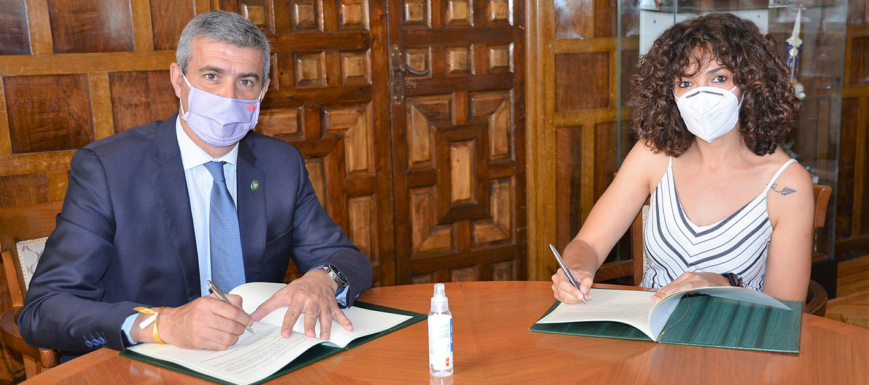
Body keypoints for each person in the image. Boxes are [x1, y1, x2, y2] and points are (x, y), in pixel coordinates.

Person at [18, 11, 372, 356]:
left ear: (263, 91)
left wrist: (323, 279)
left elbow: (345, 258)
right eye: (212, 76)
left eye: (246, 81)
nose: (229, 97)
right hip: (143, 364)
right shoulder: (108, 169)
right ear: (177, 79)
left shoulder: (280, 164)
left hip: (255, 355)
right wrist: (162, 324)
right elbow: (45, 309)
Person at [552, 13, 813, 305]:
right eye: (686, 83)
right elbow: (588, 243)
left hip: (732, 337)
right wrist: (576, 269)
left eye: (720, 78)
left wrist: (723, 283)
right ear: (670, 94)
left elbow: (786, 309)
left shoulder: (788, 184)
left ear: (752, 85)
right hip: (648, 325)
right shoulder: (653, 154)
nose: (702, 94)